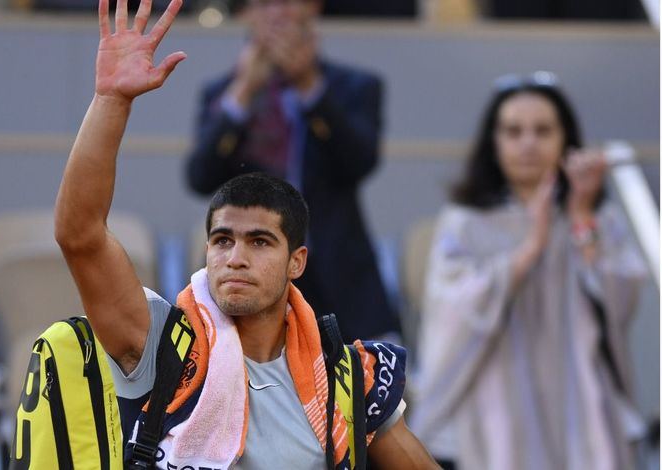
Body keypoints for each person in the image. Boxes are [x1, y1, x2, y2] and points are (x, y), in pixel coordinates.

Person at [54, 0, 439, 468]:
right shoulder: (160, 347)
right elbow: (81, 236)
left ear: (296, 259)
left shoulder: (350, 379)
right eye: (222, 241)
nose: (235, 256)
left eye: (258, 242)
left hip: (344, 287)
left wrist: (307, 85)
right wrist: (111, 101)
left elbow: (359, 159)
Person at [410, 72, 647, 470]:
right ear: (494, 141)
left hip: (577, 395)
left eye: (542, 130)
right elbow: (450, 310)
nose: (528, 143)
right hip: (494, 399)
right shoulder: (467, 220)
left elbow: (620, 302)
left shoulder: (594, 216)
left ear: (565, 139)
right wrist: (528, 251)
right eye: (513, 131)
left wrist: (580, 217)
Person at [184, 0, 399, 343]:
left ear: (312, 8)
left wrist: (310, 88)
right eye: (266, 3)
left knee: (351, 392)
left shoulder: (355, 87)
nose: (278, 12)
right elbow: (200, 177)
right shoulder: (222, 93)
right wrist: (242, 94)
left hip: (336, 275)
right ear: (248, 12)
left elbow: (358, 163)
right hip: (246, 274)